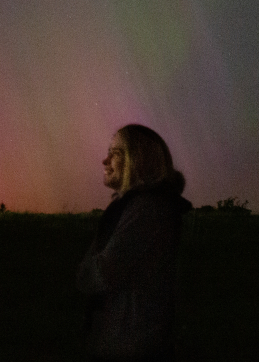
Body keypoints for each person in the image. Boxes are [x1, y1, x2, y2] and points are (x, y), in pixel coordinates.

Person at [76, 124, 192, 362]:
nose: (105, 160)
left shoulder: (146, 210)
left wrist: (85, 272)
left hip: (131, 343)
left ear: (138, 159)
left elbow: (99, 274)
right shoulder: (141, 207)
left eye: (116, 153)